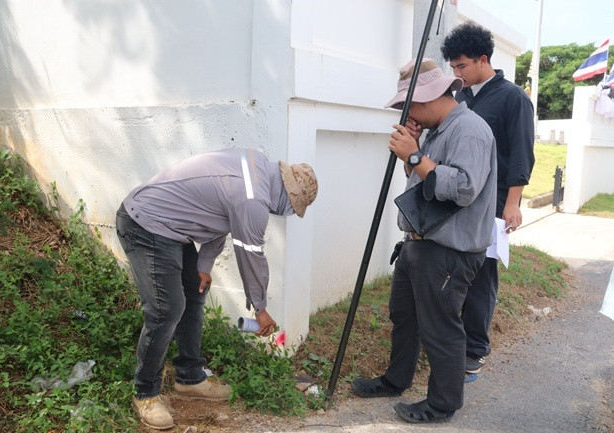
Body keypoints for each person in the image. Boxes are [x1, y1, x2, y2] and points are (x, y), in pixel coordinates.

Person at [116, 148, 318, 430]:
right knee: (166, 310)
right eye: (292, 207)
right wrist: (260, 309)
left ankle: (190, 377)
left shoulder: (257, 167)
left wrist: (204, 265)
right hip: (146, 223)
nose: (286, 212)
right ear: (288, 195)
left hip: (172, 229)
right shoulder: (254, 199)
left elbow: (218, 214)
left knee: (194, 293)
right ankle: (145, 394)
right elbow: (251, 256)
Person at [350, 57, 497, 423]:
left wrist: (414, 154)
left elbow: (464, 188)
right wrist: (415, 149)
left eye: (408, 105)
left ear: (428, 98)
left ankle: (443, 403)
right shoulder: (438, 130)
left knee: (440, 328)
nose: (406, 112)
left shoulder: (470, 131)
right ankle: (396, 379)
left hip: (448, 250)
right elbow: (423, 179)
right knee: (404, 316)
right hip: (419, 242)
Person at [441, 22, 535, 374]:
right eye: (453, 67)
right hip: (460, 196)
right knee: (454, 268)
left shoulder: (513, 98)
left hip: (494, 202)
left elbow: (522, 154)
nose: (457, 74)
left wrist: (513, 203)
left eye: (462, 66)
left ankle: (475, 348)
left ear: (483, 60)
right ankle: (451, 341)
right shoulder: (460, 98)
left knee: (482, 274)